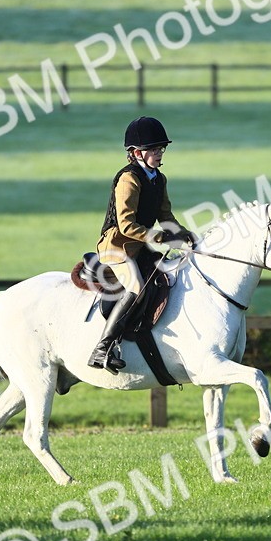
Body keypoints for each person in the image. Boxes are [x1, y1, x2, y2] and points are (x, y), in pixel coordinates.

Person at [88, 116, 192, 372]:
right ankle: (102, 348)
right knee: (137, 287)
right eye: (154, 149)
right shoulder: (129, 179)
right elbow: (126, 225)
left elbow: (165, 216)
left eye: (161, 149)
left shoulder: (159, 179)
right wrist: (160, 237)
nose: (159, 153)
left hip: (140, 247)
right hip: (116, 248)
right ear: (136, 153)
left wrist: (185, 235)